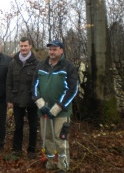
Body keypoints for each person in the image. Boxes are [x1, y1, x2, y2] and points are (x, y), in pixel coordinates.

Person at [33, 39, 78, 172]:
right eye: (50, 49)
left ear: (61, 51)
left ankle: (63, 166)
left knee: (60, 139)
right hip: (44, 110)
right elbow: (35, 87)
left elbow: (72, 89)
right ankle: (51, 162)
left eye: (54, 49)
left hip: (61, 112)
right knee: (47, 138)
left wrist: (57, 108)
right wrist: (41, 104)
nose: (51, 52)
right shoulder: (42, 65)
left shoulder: (68, 67)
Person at [6, 37, 39, 159]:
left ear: (30, 46)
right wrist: (9, 99)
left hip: (32, 100)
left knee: (33, 126)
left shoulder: (36, 63)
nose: (23, 48)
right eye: (21, 46)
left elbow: (39, 83)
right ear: (19, 47)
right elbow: (8, 82)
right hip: (17, 99)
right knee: (18, 125)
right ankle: (16, 149)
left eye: (26, 46)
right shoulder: (13, 62)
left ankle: (31, 150)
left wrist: (38, 98)